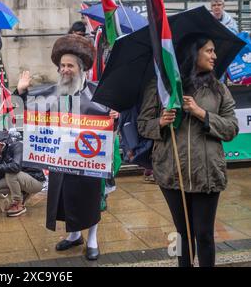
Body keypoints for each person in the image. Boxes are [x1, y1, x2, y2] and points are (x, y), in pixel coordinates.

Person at [137, 34, 239, 267]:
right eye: (209, 51)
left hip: (207, 174)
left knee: (204, 234)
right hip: (172, 174)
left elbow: (232, 128)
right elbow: (143, 125)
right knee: (182, 234)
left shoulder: (219, 89)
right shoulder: (161, 87)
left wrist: (201, 113)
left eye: (214, 51)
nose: (214, 56)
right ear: (194, 54)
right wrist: (161, 122)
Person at [15, 34, 119, 261]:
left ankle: (92, 239)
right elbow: (34, 112)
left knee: (90, 200)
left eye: (69, 65)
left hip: (89, 159)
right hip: (61, 160)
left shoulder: (97, 92)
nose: (64, 70)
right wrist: (22, 93)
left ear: (81, 68)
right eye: (61, 65)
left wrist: (114, 116)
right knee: (65, 198)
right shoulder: (54, 92)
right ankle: (74, 236)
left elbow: (109, 123)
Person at [0, 130, 46, 217]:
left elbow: (15, 167)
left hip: (36, 180)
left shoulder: (17, 146)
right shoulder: (1, 153)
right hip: (21, 179)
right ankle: (22, 193)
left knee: (11, 173)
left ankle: (18, 203)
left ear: (1, 142)